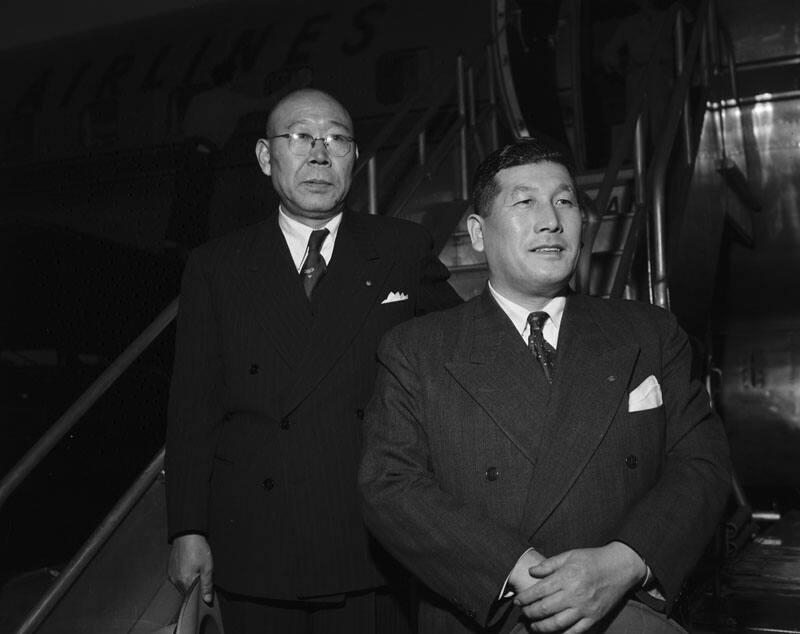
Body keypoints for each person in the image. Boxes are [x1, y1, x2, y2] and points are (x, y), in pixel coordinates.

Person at [359, 138, 731, 633]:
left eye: (564, 201)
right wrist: (524, 575)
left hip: (629, 612)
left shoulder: (649, 333)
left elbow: (701, 462)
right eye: (524, 201)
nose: (550, 220)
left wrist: (624, 563)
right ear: (477, 232)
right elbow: (391, 487)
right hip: (488, 617)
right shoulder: (417, 349)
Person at [165, 87, 462, 633]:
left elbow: (463, 363)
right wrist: (187, 529)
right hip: (257, 545)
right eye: (300, 137)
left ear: (355, 156)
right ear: (265, 155)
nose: (319, 154)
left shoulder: (402, 247)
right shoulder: (217, 267)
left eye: (337, 139)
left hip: (372, 542)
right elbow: (192, 410)